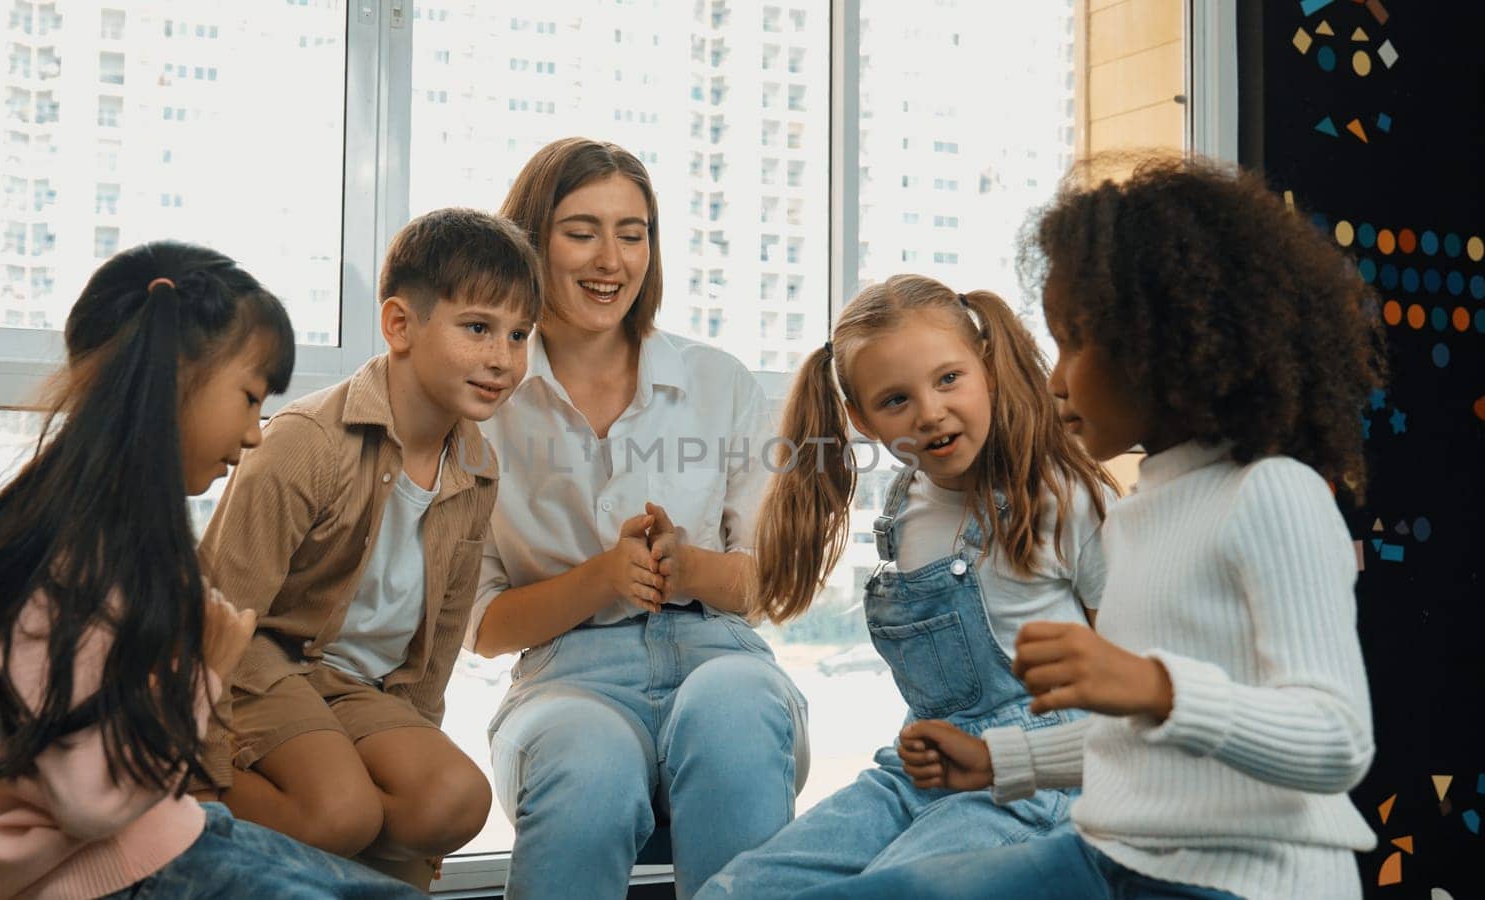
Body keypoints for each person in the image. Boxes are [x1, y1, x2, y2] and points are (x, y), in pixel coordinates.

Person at [795, 156, 1385, 900]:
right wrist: (1004, 762)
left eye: (1077, 342)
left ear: (1165, 343)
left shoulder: (1274, 494)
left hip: (1244, 881)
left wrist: (1150, 685)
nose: (1053, 378)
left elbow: (1337, 741)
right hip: (1118, 860)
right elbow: (1146, 743)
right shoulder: (1141, 516)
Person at [0, 242, 421, 898]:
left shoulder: (112, 525)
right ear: (172, 377)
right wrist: (206, 670)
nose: (255, 434)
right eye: (250, 398)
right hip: (95, 870)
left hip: (151, 835)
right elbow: (91, 797)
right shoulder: (64, 547)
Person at [467, 137, 809, 899]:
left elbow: (768, 586)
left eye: (633, 232)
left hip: (719, 654)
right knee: (583, 760)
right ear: (531, 242)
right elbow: (482, 625)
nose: (611, 260)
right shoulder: (487, 404)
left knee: (734, 710)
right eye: (581, 231)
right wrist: (599, 580)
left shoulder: (717, 382)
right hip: (565, 681)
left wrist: (687, 569)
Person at [698, 275, 1115, 898]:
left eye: (949, 379)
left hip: (1037, 783)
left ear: (989, 371)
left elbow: (1129, 673)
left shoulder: (1062, 495)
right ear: (861, 419)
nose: (930, 412)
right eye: (896, 400)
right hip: (920, 771)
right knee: (738, 890)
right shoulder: (904, 508)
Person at [194, 209, 541, 877]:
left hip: (358, 689)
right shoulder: (308, 442)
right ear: (400, 326)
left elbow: (437, 645)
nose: (503, 358)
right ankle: (184, 794)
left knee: (454, 802)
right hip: (260, 668)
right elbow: (212, 616)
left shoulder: (476, 466)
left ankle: (325, 854)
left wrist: (417, 782)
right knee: (343, 814)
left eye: (519, 335)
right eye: (478, 328)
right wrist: (204, 756)